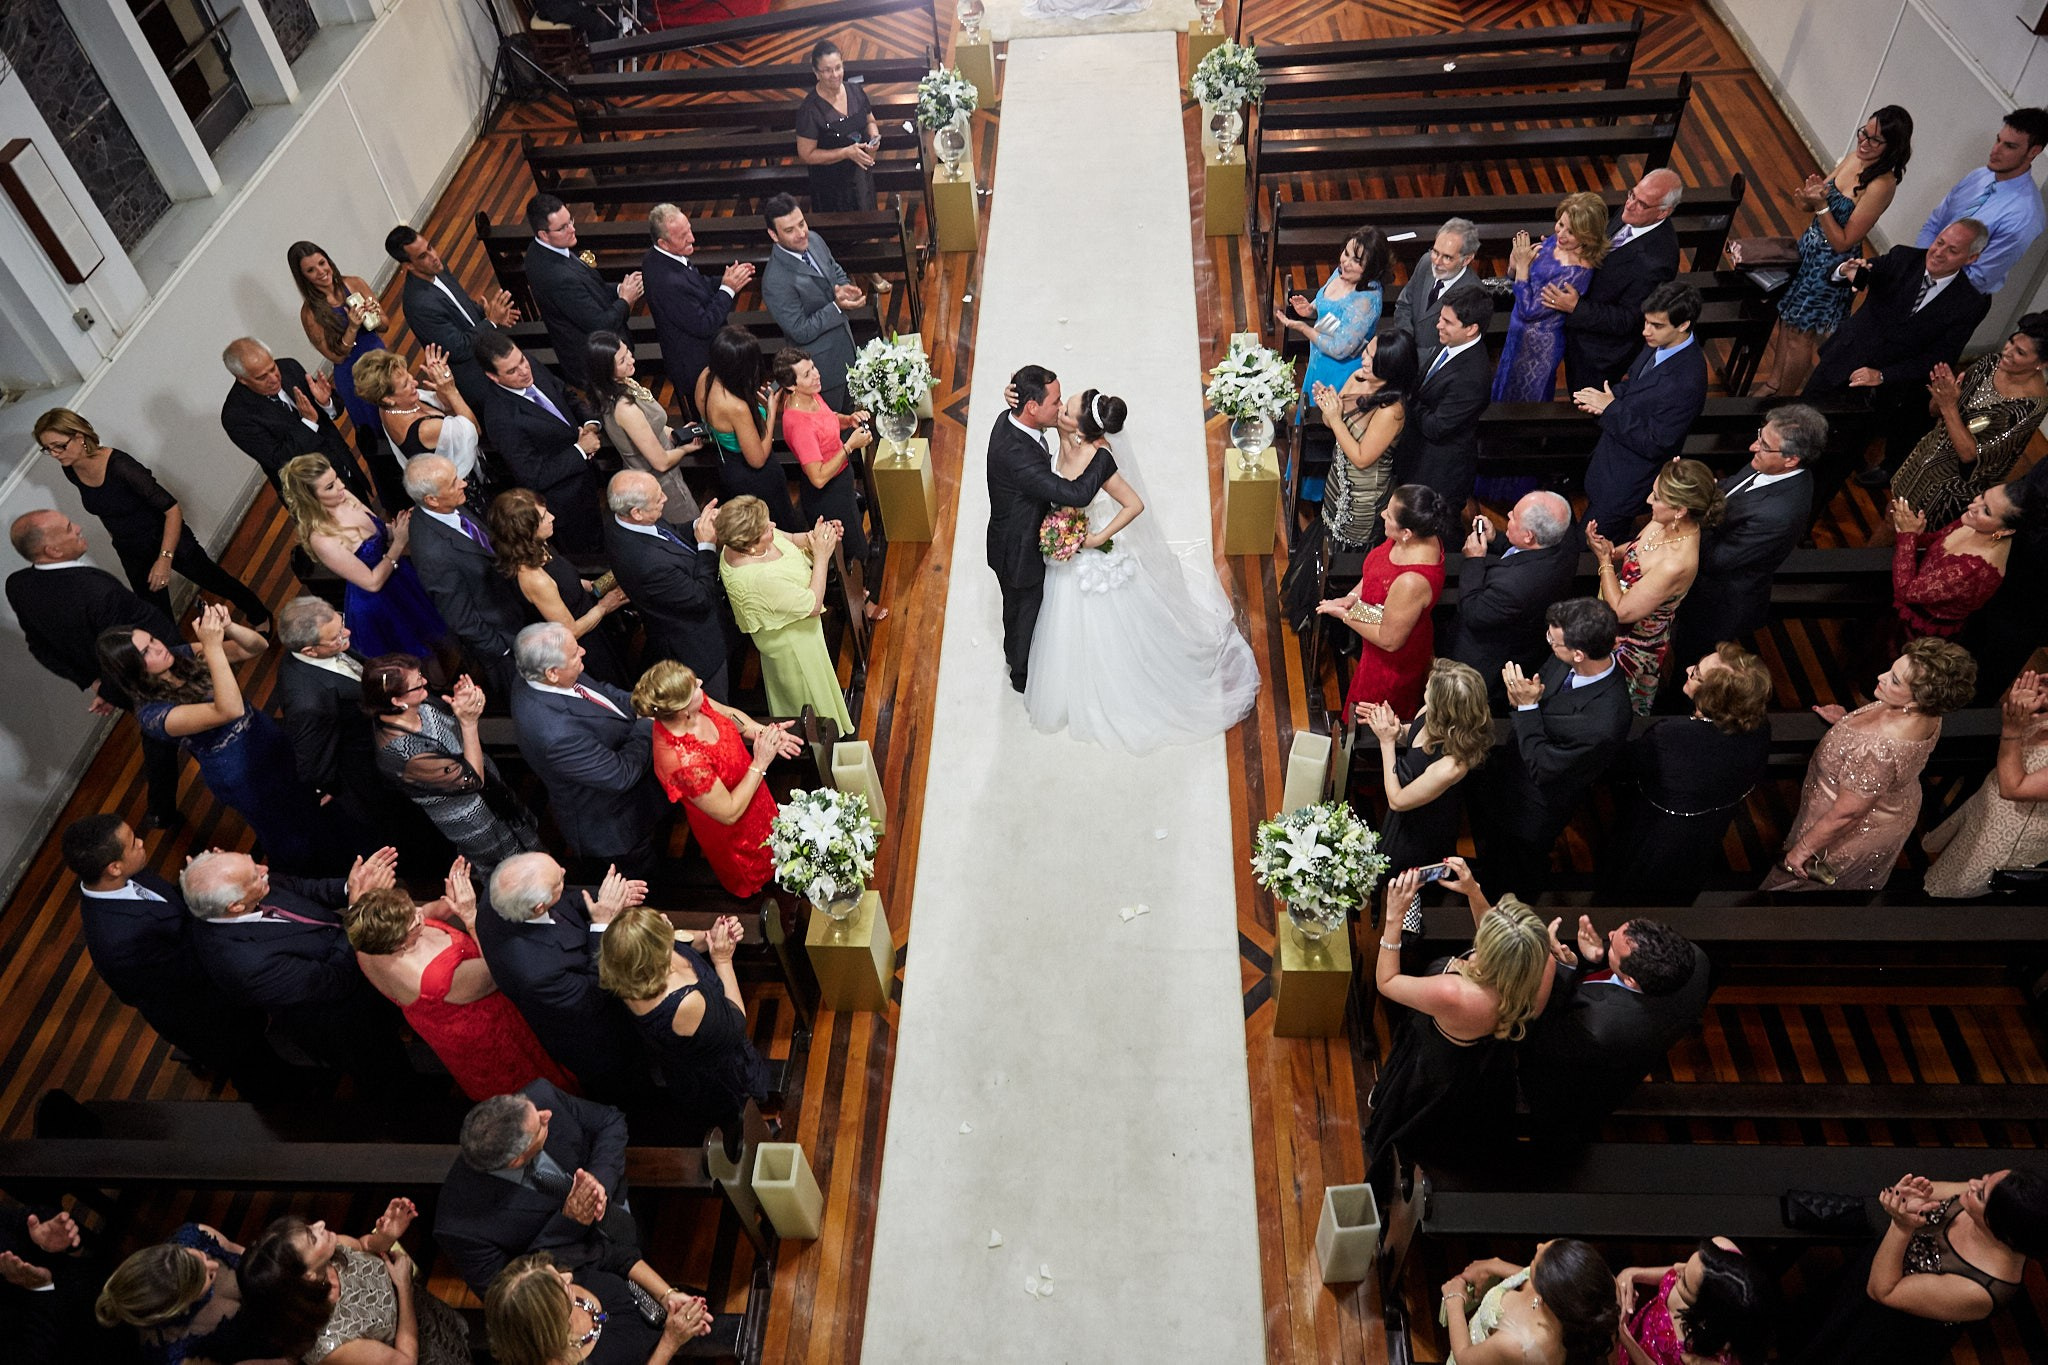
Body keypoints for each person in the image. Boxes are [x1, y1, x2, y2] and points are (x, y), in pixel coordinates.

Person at [1020, 388, 1261, 752]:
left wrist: (1098, 535)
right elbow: (1057, 437)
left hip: (1094, 552)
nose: (1060, 413)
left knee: (1107, 626)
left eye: (1066, 411)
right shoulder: (1069, 436)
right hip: (1069, 544)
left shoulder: (1100, 460)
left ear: (1082, 430)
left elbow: (1134, 504)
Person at [101, 603, 340, 874]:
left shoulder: (182, 656)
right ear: (133, 668)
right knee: (284, 830)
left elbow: (256, 647)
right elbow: (230, 709)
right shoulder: (154, 715)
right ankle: (309, 878)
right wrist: (212, 648)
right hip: (241, 771)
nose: (158, 647)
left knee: (309, 798)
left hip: (265, 737)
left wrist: (229, 627)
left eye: (153, 639)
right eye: (146, 651)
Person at [1365, 861, 1554, 1187]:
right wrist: (1473, 891)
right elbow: (1500, 941)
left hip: (1436, 1062)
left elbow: (1387, 981)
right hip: (1483, 1063)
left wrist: (1394, 918)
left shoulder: (1455, 993)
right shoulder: (1540, 967)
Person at [64, 813, 284, 1094]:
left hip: (209, 982)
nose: (142, 843)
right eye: (133, 843)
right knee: (252, 1065)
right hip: (206, 1015)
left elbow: (173, 904)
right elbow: (184, 978)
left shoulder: (127, 877)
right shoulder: (119, 942)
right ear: (114, 868)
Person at [9, 509, 184, 829]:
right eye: (67, 528)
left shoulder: (18, 585)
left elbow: (40, 647)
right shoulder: (95, 590)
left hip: (115, 686)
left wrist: (96, 684)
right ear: (53, 550)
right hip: (158, 672)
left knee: (159, 733)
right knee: (191, 725)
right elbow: (129, 650)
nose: (77, 526)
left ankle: (161, 808)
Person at [179, 845, 410, 1085]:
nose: (264, 869)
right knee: (389, 1072)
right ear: (235, 907)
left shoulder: (251, 885)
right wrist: (358, 909)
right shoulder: (248, 964)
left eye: (253, 862)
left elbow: (303, 888)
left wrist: (351, 886)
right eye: (256, 875)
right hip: (346, 1017)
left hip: (360, 962)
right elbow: (336, 979)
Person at [1764, 637, 1978, 891]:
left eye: (1895, 680)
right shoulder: (1926, 711)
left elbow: (1847, 813)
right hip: (1892, 801)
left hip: (1851, 825)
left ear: (1919, 700)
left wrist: (1801, 852)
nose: (1881, 676)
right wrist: (1847, 723)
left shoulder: (1878, 751)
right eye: (1892, 670)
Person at [346, 872, 576, 1102]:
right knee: (525, 1075)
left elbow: (427, 913)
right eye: (414, 920)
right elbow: (497, 971)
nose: (419, 913)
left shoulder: (368, 937)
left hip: (450, 1007)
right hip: (485, 1027)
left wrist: (448, 903)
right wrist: (471, 917)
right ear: (399, 943)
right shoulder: (435, 978)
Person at [33, 407, 271, 627]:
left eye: (59, 446)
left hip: (166, 539)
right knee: (156, 617)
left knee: (216, 581)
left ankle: (259, 614)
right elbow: (105, 509)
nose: (54, 454)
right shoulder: (71, 469)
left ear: (79, 436)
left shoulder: (121, 466)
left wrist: (165, 559)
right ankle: (182, 666)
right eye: (47, 449)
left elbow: (172, 510)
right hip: (131, 550)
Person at [1794, 1168, 2048, 1365]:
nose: (1972, 1184)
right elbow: (1932, 1191)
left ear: (2000, 1229)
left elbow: (1883, 1291)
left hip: (1888, 1330)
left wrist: (1902, 1226)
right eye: (1985, 1179)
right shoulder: (2001, 1199)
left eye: (1980, 1194)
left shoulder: (1982, 1290)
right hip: (1870, 1271)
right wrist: (1909, 1194)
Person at [1805, 222, 1990, 488]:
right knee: (1799, 422)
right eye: (1939, 242)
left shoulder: (1968, 303)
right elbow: (1865, 273)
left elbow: (1939, 358)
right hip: (1840, 362)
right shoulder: (1903, 257)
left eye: (1952, 251)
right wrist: (1846, 270)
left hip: (1882, 394)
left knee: (1839, 460)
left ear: (1971, 258)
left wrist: (1882, 375)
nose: (1938, 252)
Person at [1755, 105, 1913, 398]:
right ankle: (1773, 383)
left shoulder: (1881, 185)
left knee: (1801, 336)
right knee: (1787, 321)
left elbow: (1844, 241)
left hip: (1829, 267)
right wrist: (1807, 198)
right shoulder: (1853, 158)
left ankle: (1782, 401)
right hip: (1809, 250)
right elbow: (1815, 202)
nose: (1863, 143)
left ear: (1892, 147)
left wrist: (1820, 205)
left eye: (1874, 140)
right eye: (1863, 133)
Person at [1479, 598, 1632, 894]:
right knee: (1492, 847)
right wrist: (1523, 700)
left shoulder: (1603, 722)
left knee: (1516, 873)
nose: (1549, 643)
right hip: (1509, 773)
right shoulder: (1569, 661)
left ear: (1578, 654)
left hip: (1535, 804)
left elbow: (1544, 766)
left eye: (1554, 640)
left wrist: (1526, 708)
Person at [435, 1080, 642, 1296]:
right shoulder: (458, 1226)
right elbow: (508, 1294)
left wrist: (599, 1180)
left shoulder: (540, 1096)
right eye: (540, 1125)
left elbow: (610, 1121)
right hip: (579, 1276)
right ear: (517, 1160)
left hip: (620, 1213)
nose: (547, 1115)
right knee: (648, 1308)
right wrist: (568, 1222)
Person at [986, 365, 1117, 694]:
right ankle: (1021, 675)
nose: (1060, 408)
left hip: (1009, 534)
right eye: (1055, 402)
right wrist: (1103, 454)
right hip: (1017, 551)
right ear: (1032, 408)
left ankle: (1016, 653)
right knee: (1024, 610)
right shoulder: (1020, 459)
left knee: (1016, 609)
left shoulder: (1008, 419)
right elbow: (1077, 494)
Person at [1521, 914, 1711, 1138]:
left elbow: (1541, 1037)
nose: (1609, 934)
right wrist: (1599, 958)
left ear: (1630, 979)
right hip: (1637, 1052)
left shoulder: (1594, 1027)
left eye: (1612, 947)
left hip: (1574, 1085)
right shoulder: (1697, 959)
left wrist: (1564, 968)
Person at [1668, 406, 1823, 674]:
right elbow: (1729, 488)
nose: (1753, 447)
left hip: (1716, 605)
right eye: (1759, 436)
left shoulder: (1778, 514)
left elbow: (1714, 559)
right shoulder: (1771, 466)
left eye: (1763, 445)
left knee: (1690, 666)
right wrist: (1697, 487)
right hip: (1705, 588)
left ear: (1791, 459)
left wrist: (1686, 514)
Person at [478, 857, 647, 1102]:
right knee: (625, 1086)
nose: (564, 870)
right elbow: (596, 993)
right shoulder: (536, 971)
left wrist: (601, 897)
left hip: (589, 1002)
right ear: (538, 907)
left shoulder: (500, 894)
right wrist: (603, 924)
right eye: (559, 879)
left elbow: (563, 898)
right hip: (597, 1039)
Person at [510, 622, 667, 880]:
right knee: (642, 875)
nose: (582, 652)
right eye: (574, 654)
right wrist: (646, 723)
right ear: (551, 673)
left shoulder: (542, 674)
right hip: (612, 822)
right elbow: (620, 775)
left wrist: (641, 703)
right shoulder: (556, 734)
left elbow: (600, 692)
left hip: (631, 789)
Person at [599, 906, 773, 1139]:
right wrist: (722, 961)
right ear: (655, 955)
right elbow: (736, 1023)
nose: (665, 918)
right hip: (716, 1067)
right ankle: (755, 1132)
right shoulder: (683, 1003)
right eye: (660, 925)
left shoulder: (629, 965)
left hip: (691, 1054)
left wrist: (711, 935)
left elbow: (685, 940)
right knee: (737, 1110)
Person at [1610, 645, 1773, 894]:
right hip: (1707, 828)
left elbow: (1624, 764)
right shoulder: (1760, 727)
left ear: (1711, 697)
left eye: (1696, 673)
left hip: (1659, 831)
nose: (1687, 669)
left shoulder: (1672, 737)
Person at [632, 660, 801, 898]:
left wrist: (762, 733)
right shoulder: (683, 762)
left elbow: (730, 716)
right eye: (694, 687)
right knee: (764, 872)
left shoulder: (694, 705)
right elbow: (729, 812)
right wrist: (761, 762)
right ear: (682, 710)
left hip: (752, 788)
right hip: (735, 830)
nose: (700, 683)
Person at [364, 656, 539, 876]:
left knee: (527, 843)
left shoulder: (417, 704)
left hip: (493, 794)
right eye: (418, 683)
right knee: (511, 871)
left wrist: (461, 701)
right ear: (397, 701)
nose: (425, 682)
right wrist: (469, 722)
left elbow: (453, 728)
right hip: (474, 816)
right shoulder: (406, 754)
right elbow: (473, 779)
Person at [1585, 457, 1722, 714]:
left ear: (1681, 509)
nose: (1649, 500)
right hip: (1612, 613)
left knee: (1608, 705)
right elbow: (1638, 548)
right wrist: (1613, 551)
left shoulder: (1677, 562)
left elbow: (1622, 610)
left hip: (1629, 641)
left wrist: (1603, 561)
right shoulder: (1665, 520)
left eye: (1657, 497)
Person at [238, 1212, 468, 1365]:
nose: (320, 1225)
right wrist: (404, 1287)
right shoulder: (332, 1345)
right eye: (311, 1237)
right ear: (307, 1275)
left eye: (308, 1226)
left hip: (419, 1309)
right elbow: (405, 1360)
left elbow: (362, 1245)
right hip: (418, 1347)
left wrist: (386, 1236)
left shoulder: (332, 1250)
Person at [280, 454, 448, 661]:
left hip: (399, 576)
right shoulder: (322, 538)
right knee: (412, 654)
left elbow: (381, 534)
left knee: (435, 634)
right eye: (330, 486)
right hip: (378, 604)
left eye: (337, 478)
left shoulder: (346, 499)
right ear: (310, 498)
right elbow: (371, 583)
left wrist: (408, 523)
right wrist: (399, 543)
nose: (341, 486)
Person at [1575, 281, 1710, 536]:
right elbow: (1636, 384)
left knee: (1592, 544)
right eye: (1646, 322)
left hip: (1628, 481)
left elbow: (1657, 443)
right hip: (1611, 461)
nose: (1646, 332)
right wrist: (1610, 395)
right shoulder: (1660, 343)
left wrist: (1611, 408)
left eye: (1656, 325)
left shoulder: (1687, 381)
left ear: (1683, 325)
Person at [713, 496, 855, 733]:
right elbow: (812, 604)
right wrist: (821, 555)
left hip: (801, 632)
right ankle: (825, 737)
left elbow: (787, 538)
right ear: (749, 545)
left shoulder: (746, 538)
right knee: (809, 692)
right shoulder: (758, 579)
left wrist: (818, 536)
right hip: (793, 646)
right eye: (766, 528)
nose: (773, 526)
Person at [1888, 316, 2048, 526]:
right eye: (2011, 342)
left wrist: (1948, 406)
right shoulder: (1989, 363)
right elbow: (1935, 412)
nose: (2007, 352)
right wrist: (1941, 396)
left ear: (2041, 364)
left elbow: (1970, 455)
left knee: (1913, 538)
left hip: (1949, 492)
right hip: (1924, 459)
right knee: (1890, 516)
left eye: (2020, 352)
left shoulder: (2029, 409)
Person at [1318, 483, 1453, 718]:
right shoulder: (1411, 535)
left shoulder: (1412, 581)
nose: (1382, 515)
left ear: (1407, 533)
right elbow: (1377, 573)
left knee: (1368, 715)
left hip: (1391, 661)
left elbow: (1389, 639)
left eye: (1388, 515)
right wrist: (1351, 597)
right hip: (1378, 623)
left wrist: (1345, 615)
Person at [287, 240, 402, 510]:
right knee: (377, 431)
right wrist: (351, 327)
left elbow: (384, 324)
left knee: (402, 411)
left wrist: (375, 314)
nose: (321, 272)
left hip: (379, 358)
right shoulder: (310, 313)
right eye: (311, 271)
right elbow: (336, 355)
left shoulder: (355, 283)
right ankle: (396, 496)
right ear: (303, 278)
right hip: (354, 375)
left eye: (321, 264)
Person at [774, 344, 886, 616]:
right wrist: (849, 446)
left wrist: (846, 420)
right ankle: (861, 603)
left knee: (857, 538)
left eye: (813, 367)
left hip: (842, 478)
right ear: (791, 386)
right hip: (828, 492)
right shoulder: (797, 424)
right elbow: (818, 477)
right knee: (852, 549)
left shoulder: (811, 395)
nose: (816, 375)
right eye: (807, 374)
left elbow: (827, 419)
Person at [1360, 659, 1492, 887]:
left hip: (1422, 825)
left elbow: (1397, 800)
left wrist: (1386, 742)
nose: (1425, 691)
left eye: (1430, 690)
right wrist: (1395, 729)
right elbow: (1411, 736)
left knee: (1398, 873)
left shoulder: (1452, 765)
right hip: (1408, 798)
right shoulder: (1429, 711)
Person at [474, 329, 607, 555]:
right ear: (493, 377)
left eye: (522, 361)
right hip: (565, 506)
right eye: (513, 371)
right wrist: (579, 451)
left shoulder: (531, 365)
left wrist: (590, 425)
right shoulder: (501, 418)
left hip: (587, 481)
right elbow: (533, 475)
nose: (524, 371)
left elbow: (566, 395)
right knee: (591, 553)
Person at [1552, 169, 1685, 392]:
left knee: (1583, 404)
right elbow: (1600, 243)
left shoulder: (1657, 262)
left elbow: (1628, 320)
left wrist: (1576, 308)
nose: (1630, 204)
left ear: (1663, 212)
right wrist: (1565, 248)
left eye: (1641, 203)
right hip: (1578, 323)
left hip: (1599, 352)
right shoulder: (1632, 213)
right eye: (1632, 194)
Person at [405, 455, 528, 695]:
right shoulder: (434, 555)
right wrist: (502, 649)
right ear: (431, 499)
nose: (463, 483)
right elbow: (460, 618)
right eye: (453, 482)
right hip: (504, 643)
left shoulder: (448, 506)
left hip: (513, 611)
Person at [1446, 491, 1578, 712]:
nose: (1507, 515)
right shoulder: (1563, 540)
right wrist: (1497, 539)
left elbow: (1473, 611)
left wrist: (1474, 560)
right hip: (1524, 631)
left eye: (1514, 517)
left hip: (1489, 656)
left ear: (1529, 535)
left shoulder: (1515, 586)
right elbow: (1524, 553)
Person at [275, 597, 391, 847]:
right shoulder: (308, 703)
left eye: (342, 624)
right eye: (337, 636)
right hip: (368, 766)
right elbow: (311, 763)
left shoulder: (322, 645)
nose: (347, 633)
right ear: (309, 651)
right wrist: (328, 786)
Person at [1924, 668, 2048, 898]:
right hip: (1986, 813)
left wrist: (2012, 728)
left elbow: (2014, 788)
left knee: (1947, 895)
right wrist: (2027, 704)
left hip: (2006, 840)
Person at [489, 488, 631, 687]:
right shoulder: (533, 577)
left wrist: (592, 587)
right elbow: (570, 631)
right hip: (583, 640)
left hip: (590, 618)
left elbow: (562, 581)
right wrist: (604, 607)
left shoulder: (537, 544)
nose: (552, 518)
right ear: (525, 530)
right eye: (544, 517)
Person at [604, 471, 730, 695]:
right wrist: (707, 546)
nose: (665, 498)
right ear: (636, 512)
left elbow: (669, 534)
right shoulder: (647, 563)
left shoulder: (627, 520)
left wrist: (698, 525)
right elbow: (699, 598)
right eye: (658, 498)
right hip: (695, 645)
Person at [219, 337, 380, 509]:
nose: (274, 378)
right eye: (262, 377)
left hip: (343, 468)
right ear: (242, 379)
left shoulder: (289, 367)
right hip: (312, 495)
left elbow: (332, 409)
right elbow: (279, 459)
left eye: (272, 368)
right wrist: (308, 423)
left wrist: (326, 403)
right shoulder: (236, 417)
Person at [484, 1251, 715, 1365]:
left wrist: (666, 1295)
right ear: (548, 1319)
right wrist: (670, 1342)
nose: (569, 1275)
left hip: (666, 1316)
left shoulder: (567, 1281)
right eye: (561, 1284)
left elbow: (613, 1255)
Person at [388, 223, 522, 413]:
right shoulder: (419, 305)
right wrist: (491, 322)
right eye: (423, 256)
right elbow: (458, 348)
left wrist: (484, 311)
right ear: (408, 265)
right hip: (475, 375)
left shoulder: (438, 269)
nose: (434, 257)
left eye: (430, 247)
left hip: (486, 350)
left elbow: (461, 305)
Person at [1915, 107, 2048, 295]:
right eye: (1998, 140)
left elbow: (1977, 278)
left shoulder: (2025, 215)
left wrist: (1925, 280)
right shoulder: (1980, 176)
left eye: (2009, 146)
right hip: (1918, 272)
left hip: (1951, 297)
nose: (1995, 150)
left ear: (2033, 151)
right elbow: (1934, 225)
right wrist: (1915, 268)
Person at [1493, 192, 1607, 402]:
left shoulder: (1576, 273)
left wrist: (1522, 267)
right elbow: (1517, 276)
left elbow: (1529, 310)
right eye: (1561, 224)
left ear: (1588, 236)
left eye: (1571, 232)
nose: (1561, 234)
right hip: (1517, 334)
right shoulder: (1556, 242)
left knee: (1524, 402)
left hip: (1537, 348)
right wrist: (1514, 265)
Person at [585, 329, 703, 530]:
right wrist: (686, 449)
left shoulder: (618, 385)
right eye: (622, 361)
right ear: (606, 370)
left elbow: (651, 427)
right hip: (658, 481)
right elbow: (661, 462)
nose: (631, 359)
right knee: (689, 529)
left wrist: (675, 434)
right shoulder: (625, 408)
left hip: (655, 468)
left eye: (627, 352)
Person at [1274, 225, 1388, 432]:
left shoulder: (1366, 301)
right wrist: (1309, 310)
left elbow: (1339, 348)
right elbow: (1327, 309)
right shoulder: (1340, 272)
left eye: (1356, 261)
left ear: (1371, 269)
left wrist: (1303, 328)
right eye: (1346, 253)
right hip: (1318, 358)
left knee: (1317, 422)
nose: (1346, 262)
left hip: (1338, 371)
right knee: (1305, 409)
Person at [525, 194, 640, 394]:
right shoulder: (557, 277)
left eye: (570, 220)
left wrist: (618, 288)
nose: (572, 228)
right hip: (596, 364)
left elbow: (589, 288)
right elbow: (600, 324)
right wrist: (625, 299)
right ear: (544, 234)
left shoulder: (542, 249)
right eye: (563, 227)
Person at [1314, 331, 1416, 554]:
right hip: (1337, 480)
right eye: (1367, 351)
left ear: (1389, 367)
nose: (1364, 359)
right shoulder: (1358, 377)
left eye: (1372, 357)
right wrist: (1328, 405)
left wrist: (1334, 416)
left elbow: (1362, 459)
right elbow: (1331, 422)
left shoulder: (1391, 410)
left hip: (1361, 496)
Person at [96, 1223, 256, 1365]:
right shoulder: (173, 1354)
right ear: (180, 1307)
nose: (214, 1264)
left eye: (203, 1256)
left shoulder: (196, 1236)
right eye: (208, 1277)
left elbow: (244, 1254)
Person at [1441, 1240, 1620, 1365]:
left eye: (1536, 1261)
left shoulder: (1517, 1345)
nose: (1539, 1245)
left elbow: (1465, 1357)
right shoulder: (1577, 1294)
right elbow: (1527, 1275)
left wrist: (1454, 1300)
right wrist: (1493, 1265)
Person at [1393, 289, 1492, 513]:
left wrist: (1408, 395)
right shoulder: (1451, 343)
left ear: (1471, 329)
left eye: (1447, 322)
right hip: (1416, 453)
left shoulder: (1472, 376)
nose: (1439, 325)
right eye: (1440, 318)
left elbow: (1436, 427)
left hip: (1437, 470)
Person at [759, 196, 863, 410]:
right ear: (773, 235)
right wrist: (836, 306)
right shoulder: (775, 281)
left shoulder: (813, 240)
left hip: (846, 348)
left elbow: (833, 268)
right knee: (834, 432)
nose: (801, 233)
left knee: (854, 418)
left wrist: (843, 287)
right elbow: (800, 330)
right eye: (789, 230)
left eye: (802, 223)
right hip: (821, 370)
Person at [642, 203, 751, 405]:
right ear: (663, 243)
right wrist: (728, 289)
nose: (691, 238)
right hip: (698, 368)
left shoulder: (664, 256)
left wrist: (727, 279)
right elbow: (704, 324)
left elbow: (698, 286)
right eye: (683, 236)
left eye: (689, 230)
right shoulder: (668, 281)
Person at [1889, 482, 2028, 641]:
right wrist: (1914, 532)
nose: (1973, 506)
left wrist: (1907, 535)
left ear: (2005, 531)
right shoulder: (1975, 524)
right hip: (1902, 606)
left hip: (1916, 633)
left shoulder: (1974, 569)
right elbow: (1934, 542)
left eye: (1987, 511)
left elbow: (1906, 591)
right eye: (1982, 496)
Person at [696, 324, 800, 529]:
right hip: (754, 478)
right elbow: (758, 459)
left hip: (727, 464)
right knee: (777, 525)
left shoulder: (706, 376)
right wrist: (771, 412)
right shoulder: (736, 407)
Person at [1614, 1239, 1774, 1365]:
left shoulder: (1700, 1357)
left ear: (1704, 1315)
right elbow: (1687, 1272)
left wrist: (1622, 1333)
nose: (1677, 1266)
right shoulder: (1721, 1252)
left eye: (1684, 1283)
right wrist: (1633, 1273)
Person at [353, 346, 486, 488]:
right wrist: (451, 390)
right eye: (405, 384)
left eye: (409, 375)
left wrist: (440, 380)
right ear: (388, 399)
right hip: (460, 485)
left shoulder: (394, 405)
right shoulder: (425, 429)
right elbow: (475, 429)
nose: (415, 383)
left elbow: (444, 406)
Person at [795, 41, 881, 215]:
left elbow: (870, 120)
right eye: (827, 70)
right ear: (816, 73)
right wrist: (845, 153)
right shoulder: (810, 110)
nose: (834, 75)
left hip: (860, 174)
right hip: (831, 184)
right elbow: (806, 155)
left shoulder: (856, 91)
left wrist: (874, 136)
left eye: (838, 67)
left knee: (868, 220)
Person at [1386, 217, 1479, 373]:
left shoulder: (1473, 294)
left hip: (1433, 371)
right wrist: (1406, 346)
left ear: (1467, 259)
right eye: (1435, 252)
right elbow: (1404, 304)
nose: (1437, 262)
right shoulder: (1425, 262)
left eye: (1447, 257)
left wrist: (1415, 359)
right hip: (1405, 357)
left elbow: (1456, 347)